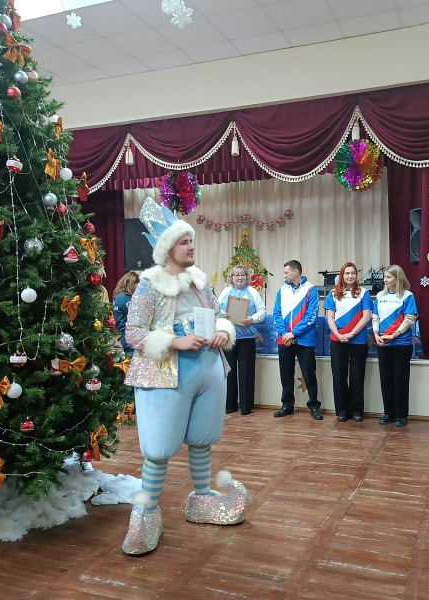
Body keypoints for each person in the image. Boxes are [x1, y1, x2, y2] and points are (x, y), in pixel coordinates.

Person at [121, 198, 247, 556]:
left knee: (203, 440)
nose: (191, 247)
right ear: (168, 248)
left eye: (192, 241)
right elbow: (133, 334)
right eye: (184, 242)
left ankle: (202, 497)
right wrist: (174, 341)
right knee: (159, 449)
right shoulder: (149, 285)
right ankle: (146, 512)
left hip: (209, 368)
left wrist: (222, 330)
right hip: (166, 373)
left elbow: (220, 314)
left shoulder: (200, 282)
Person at [272, 259, 322, 420]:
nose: (284, 275)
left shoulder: (311, 290)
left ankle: (314, 406)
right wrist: (285, 333)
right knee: (286, 374)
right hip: (284, 339)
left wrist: (293, 333)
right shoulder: (282, 290)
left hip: (304, 340)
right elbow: (276, 314)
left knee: (309, 374)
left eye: (286, 272)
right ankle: (287, 405)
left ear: (296, 272)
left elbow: (311, 316)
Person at [324, 262, 373, 422]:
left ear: (356, 275)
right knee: (339, 376)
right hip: (337, 340)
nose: (350, 276)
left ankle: (357, 410)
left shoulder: (364, 293)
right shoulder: (333, 294)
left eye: (353, 273)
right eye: (347, 273)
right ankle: (342, 410)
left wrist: (351, 333)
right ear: (342, 275)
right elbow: (330, 318)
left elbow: (366, 317)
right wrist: (338, 335)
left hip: (358, 340)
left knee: (357, 375)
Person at [218, 265, 267, 415]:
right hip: (229, 337)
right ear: (231, 278)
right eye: (236, 275)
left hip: (247, 338)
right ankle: (230, 405)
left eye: (242, 275)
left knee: (247, 371)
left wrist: (252, 319)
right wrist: (223, 314)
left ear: (247, 278)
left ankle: (246, 406)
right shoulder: (225, 291)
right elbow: (216, 309)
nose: (239, 278)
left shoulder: (253, 292)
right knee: (229, 371)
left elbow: (262, 311)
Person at [372, 265, 418, 427]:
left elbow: (410, 318)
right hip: (383, 343)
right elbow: (375, 316)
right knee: (386, 378)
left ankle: (401, 415)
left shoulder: (407, 296)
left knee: (400, 379)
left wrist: (394, 335)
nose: (385, 280)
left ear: (398, 278)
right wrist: (376, 333)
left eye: (389, 277)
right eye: (384, 277)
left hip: (401, 343)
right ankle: (388, 413)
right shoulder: (380, 295)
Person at [113, 271, 140, 352]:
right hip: (132, 337)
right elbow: (137, 315)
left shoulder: (120, 296)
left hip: (129, 336)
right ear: (132, 283)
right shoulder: (125, 298)